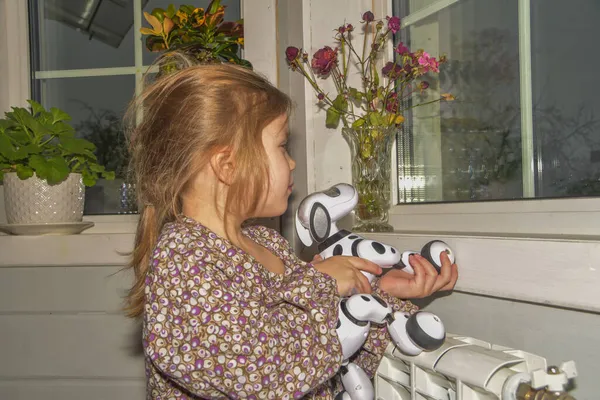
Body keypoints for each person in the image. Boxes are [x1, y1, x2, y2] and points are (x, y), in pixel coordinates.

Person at [124, 54, 458, 400]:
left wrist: (378, 290)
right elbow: (257, 371)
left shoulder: (267, 243)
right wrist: (323, 280)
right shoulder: (184, 259)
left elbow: (333, 340)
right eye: (282, 146)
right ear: (228, 165)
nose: (293, 161)